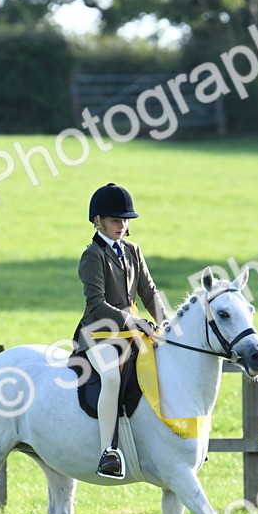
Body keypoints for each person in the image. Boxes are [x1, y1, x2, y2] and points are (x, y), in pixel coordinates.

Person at [73, 183, 172, 479]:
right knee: (112, 377)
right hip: (99, 334)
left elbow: (149, 292)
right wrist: (135, 322)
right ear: (98, 221)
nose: (122, 225)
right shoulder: (92, 255)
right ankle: (108, 452)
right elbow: (97, 304)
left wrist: (166, 323)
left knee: (166, 368)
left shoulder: (133, 250)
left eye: (125, 220)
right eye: (116, 220)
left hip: (133, 334)